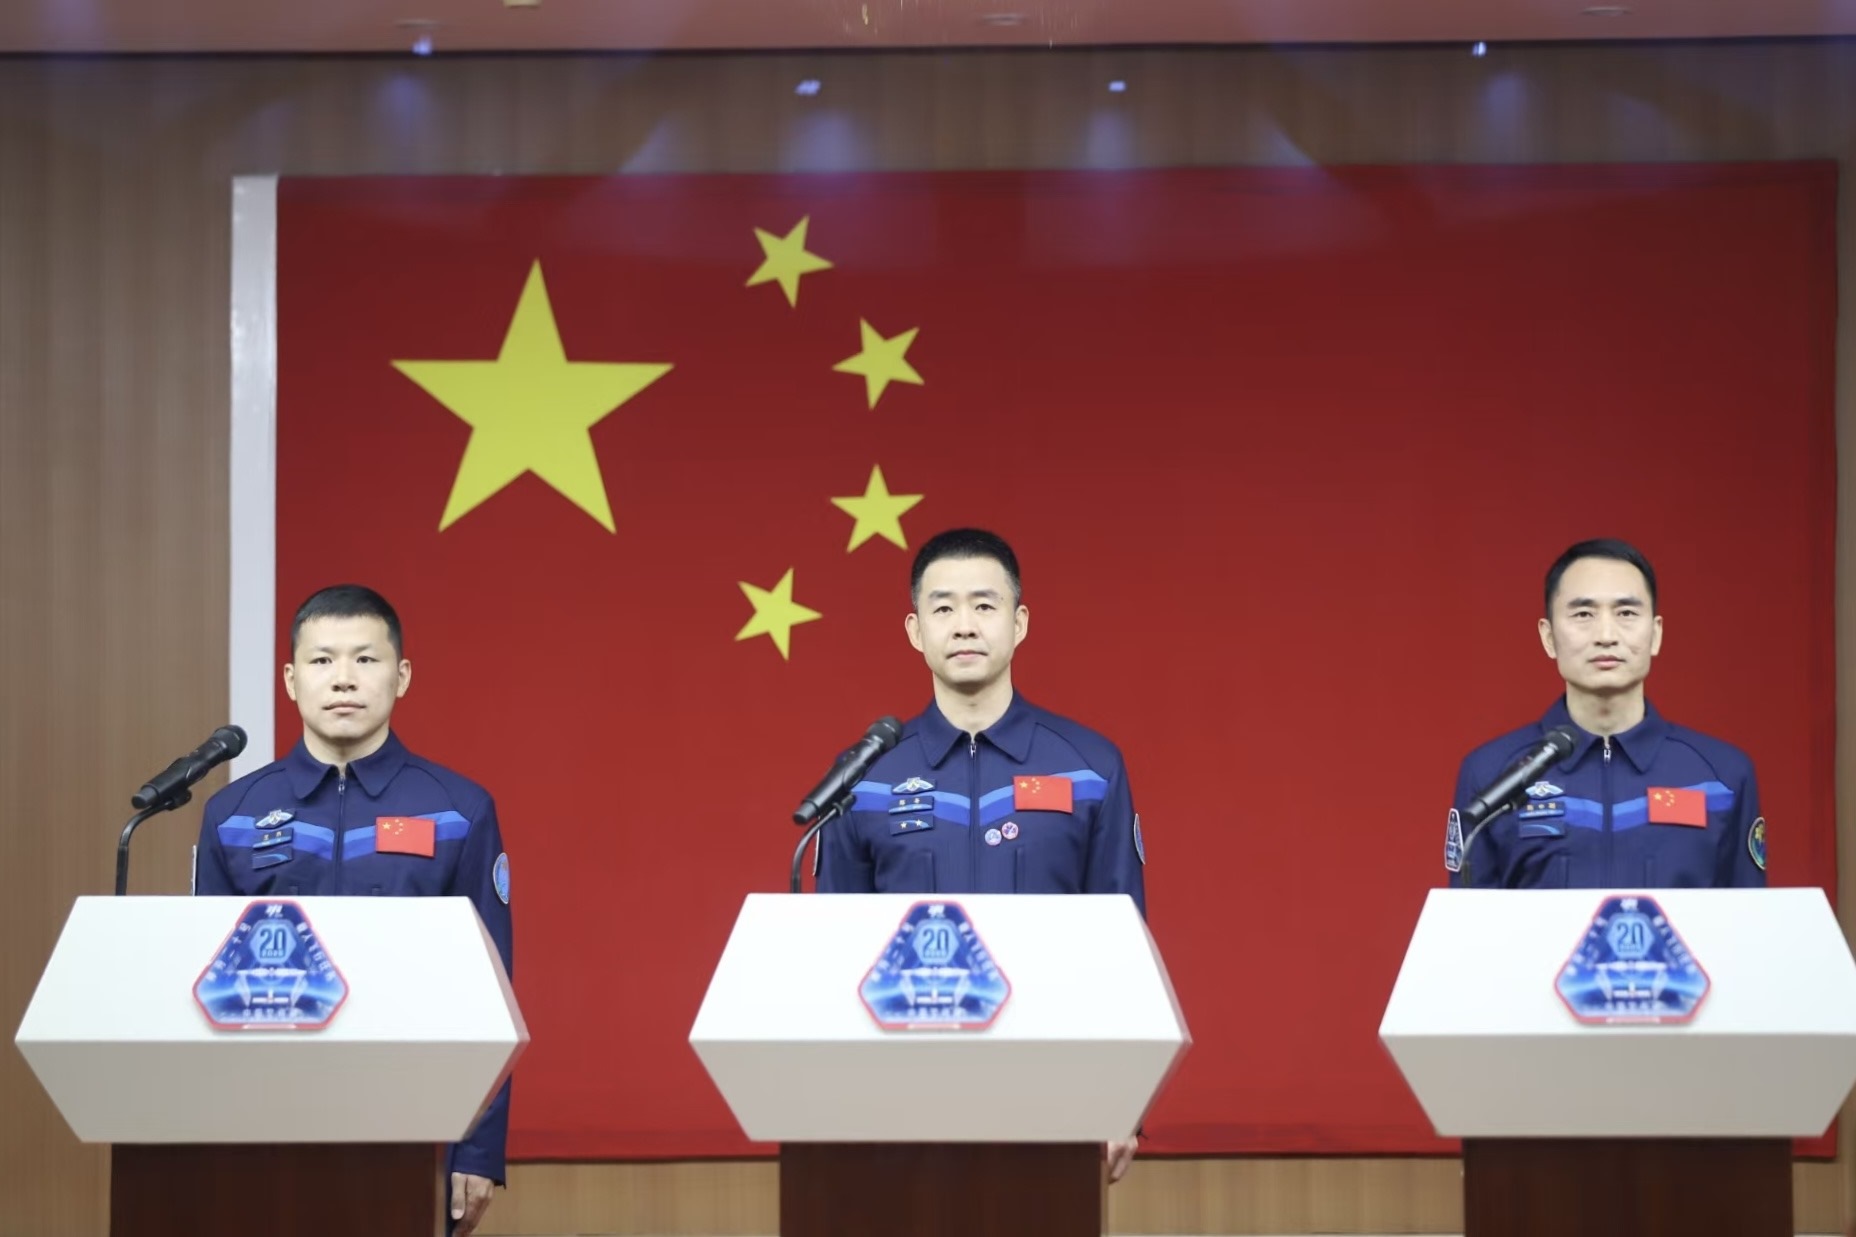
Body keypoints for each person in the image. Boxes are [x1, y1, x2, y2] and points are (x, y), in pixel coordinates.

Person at [816, 528, 1147, 1181]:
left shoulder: (1089, 766)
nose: (964, 624)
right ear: (915, 630)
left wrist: (1122, 1100)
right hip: (899, 1109)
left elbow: (1125, 949)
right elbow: (835, 954)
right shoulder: (865, 777)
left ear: (1019, 623)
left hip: (1051, 1097)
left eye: (984, 605)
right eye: (943, 607)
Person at [194, 585, 514, 1236]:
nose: (343, 678)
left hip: (412, 1115)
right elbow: (207, 986)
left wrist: (476, 1150)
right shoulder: (233, 815)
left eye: (365, 659)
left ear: (402, 676)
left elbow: (491, 991)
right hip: (262, 1122)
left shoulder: (458, 810)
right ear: (291, 679)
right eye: (322, 660)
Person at [1447, 539, 1765, 889]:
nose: (1606, 635)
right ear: (1549, 637)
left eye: (1626, 613)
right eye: (1583, 614)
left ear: (1655, 634)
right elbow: (1469, 920)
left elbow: (1748, 918)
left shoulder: (1722, 776)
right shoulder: (1493, 774)